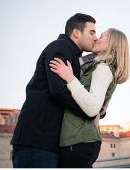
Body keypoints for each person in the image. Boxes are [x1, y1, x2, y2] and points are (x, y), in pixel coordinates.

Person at [11, 13, 100, 168]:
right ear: (76, 32)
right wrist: (89, 112)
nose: (95, 37)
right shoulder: (61, 47)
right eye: (91, 32)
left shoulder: (72, 54)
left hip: (47, 142)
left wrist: (96, 110)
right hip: (37, 140)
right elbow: (59, 90)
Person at [49, 28, 130, 168]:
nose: (96, 38)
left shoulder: (103, 68)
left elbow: (92, 108)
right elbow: (98, 106)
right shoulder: (98, 67)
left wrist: (70, 77)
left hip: (79, 140)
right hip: (78, 139)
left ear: (112, 44)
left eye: (102, 36)